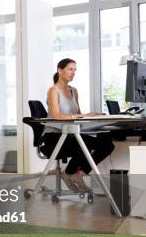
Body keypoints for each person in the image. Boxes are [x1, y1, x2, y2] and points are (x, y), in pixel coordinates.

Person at [43, 58, 114, 192]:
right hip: (53, 135)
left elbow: (78, 114)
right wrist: (83, 116)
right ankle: (68, 173)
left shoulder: (73, 91)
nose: (73, 73)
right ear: (60, 70)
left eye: (75, 70)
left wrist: (94, 116)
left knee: (107, 145)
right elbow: (56, 116)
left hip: (71, 133)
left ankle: (78, 174)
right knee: (83, 144)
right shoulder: (53, 90)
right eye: (70, 69)